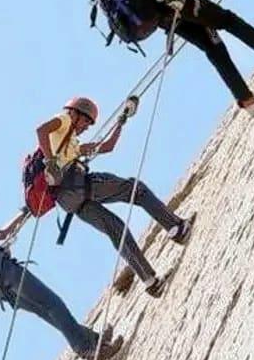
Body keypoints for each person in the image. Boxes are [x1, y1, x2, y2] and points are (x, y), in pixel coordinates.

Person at [0, 181, 123, 360]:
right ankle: (87, 350)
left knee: (46, 312)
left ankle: (94, 340)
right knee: (53, 304)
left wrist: (24, 211)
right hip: (7, 274)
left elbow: (3, 233)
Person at [36, 96, 193, 298]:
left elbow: (107, 146)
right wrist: (50, 163)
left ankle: (150, 281)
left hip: (71, 202)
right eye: (86, 121)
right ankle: (176, 228)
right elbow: (41, 129)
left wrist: (122, 120)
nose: (86, 127)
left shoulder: (72, 144)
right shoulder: (65, 119)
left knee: (117, 230)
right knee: (136, 190)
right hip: (79, 185)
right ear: (75, 113)